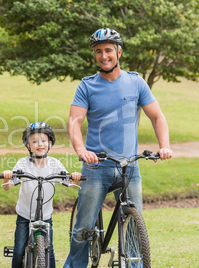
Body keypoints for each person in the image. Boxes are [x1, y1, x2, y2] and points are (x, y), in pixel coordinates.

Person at [64, 28, 173, 267]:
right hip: (96, 168)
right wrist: (81, 149)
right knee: (83, 229)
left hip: (130, 168)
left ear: (119, 52)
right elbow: (75, 121)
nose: (104, 56)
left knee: (134, 227)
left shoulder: (136, 82)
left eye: (108, 50)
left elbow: (157, 117)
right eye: (98, 51)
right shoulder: (87, 86)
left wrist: (164, 146)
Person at [1, 122, 82, 268]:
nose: (40, 144)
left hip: (45, 216)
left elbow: (71, 183)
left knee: (48, 251)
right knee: (19, 250)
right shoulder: (23, 164)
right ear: (28, 145)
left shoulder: (54, 165)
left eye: (44, 141)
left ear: (50, 143)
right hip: (25, 216)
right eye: (34, 141)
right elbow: (7, 187)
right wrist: (7, 177)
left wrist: (75, 178)